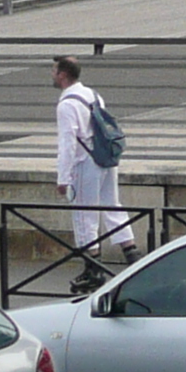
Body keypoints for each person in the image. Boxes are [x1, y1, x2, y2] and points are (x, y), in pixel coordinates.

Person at [52, 54, 135, 291]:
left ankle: (93, 268)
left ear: (63, 75)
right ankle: (132, 254)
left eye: (54, 71)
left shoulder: (67, 104)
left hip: (84, 162)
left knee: (84, 214)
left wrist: (63, 178)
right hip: (105, 158)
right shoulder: (93, 95)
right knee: (112, 206)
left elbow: (67, 143)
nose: (53, 75)